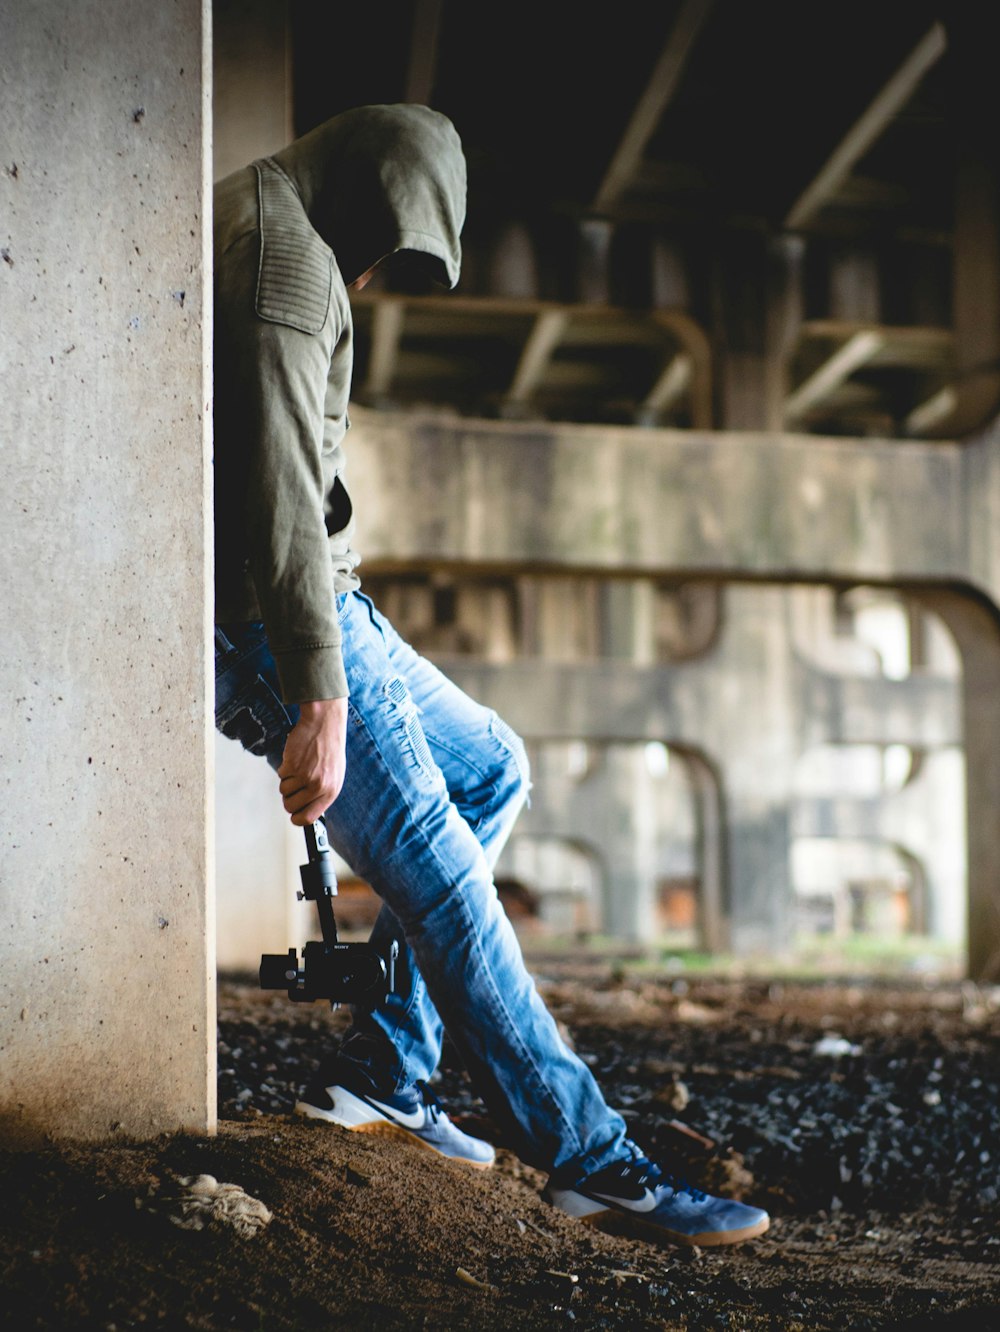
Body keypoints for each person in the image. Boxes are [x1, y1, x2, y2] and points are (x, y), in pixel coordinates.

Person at [212, 102, 770, 1249]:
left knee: (489, 769)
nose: (375, 273)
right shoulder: (287, 273)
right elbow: (274, 504)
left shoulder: (281, 227)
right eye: (384, 246)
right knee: (445, 879)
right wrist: (320, 697)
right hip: (286, 626)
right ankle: (590, 1158)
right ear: (364, 194)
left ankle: (390, 1075)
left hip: (325, 609)